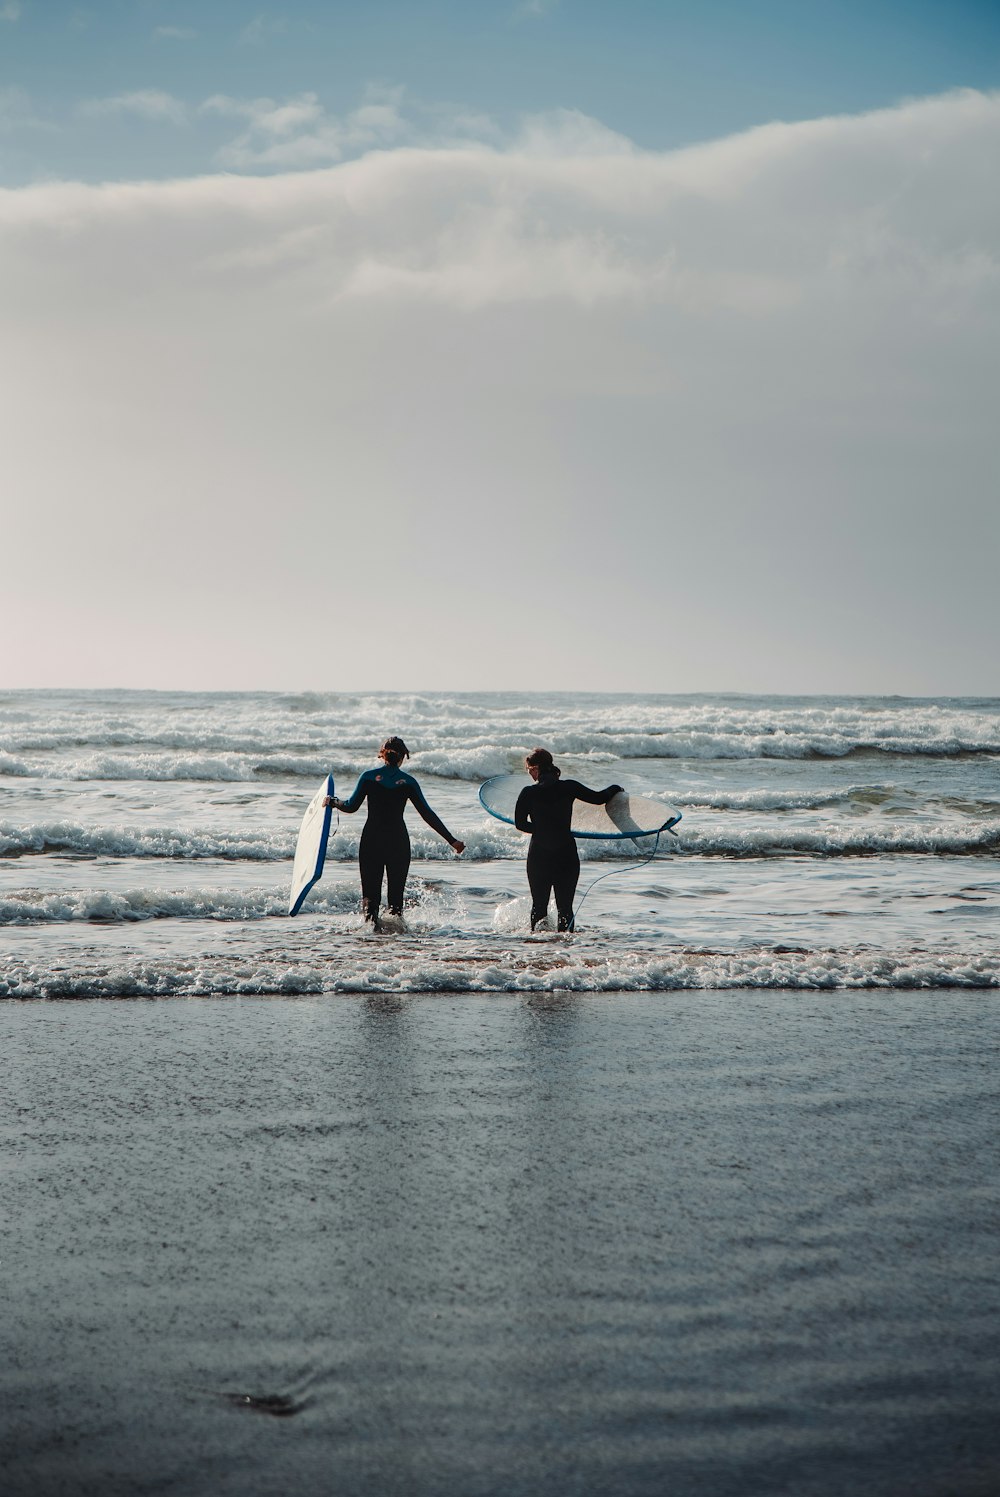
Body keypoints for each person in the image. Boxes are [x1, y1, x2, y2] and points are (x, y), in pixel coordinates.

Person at [326, 737, 464, 928]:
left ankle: (369, 938)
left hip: (371, 841)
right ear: (403, 757)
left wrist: (332, 802)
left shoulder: (367, 777)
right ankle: (396, 944)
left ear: (382, 755)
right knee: (396, 901)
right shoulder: (409, 782)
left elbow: (350, 806)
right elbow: (427, 814)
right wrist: (452, 841)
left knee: (370, 898)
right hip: (397, 842)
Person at [514, 748, 622, 932]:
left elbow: (520, 824)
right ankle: (565, 950)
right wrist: (616, 788)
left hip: (539, 855)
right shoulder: (569, 787)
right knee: (565, 909)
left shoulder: (528, 793)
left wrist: (542, 829)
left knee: (539, 907)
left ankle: (537, 949)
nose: (529, 774)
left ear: (537, 768)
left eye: (529, 769)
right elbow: (599, 798)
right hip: (566, 854)